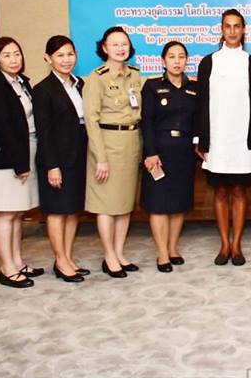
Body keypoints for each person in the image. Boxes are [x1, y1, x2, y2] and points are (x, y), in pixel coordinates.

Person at [196, 9, 251, 266]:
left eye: (237, 26)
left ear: (243, 30)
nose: (233, 31)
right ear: (222, 29)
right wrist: (200, 140)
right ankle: (224, 244)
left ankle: (237, 246)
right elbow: (201, 103)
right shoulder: (209, 62)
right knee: (221, 191)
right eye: (228, 26)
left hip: (243, 141)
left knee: (239, 190)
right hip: (217, 140)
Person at [84, 26, 143, 278]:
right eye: (115, 44)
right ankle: (108, 255)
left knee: (124, 203)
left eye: (124, 44)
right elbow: (91, 120)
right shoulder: (97, 78)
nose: (121, 48)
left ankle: (119, 252)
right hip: (107, 145)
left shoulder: (135, 75)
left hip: (131, 143)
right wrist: (101, 158)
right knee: (107, 204)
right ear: (104, 48)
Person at [0, 36, 42, 289]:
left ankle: (18, 262)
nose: (13, 59)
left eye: (16, 53)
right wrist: (19, 163)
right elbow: (4, 129)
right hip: (8, 157)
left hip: (27, 148)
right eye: (6, 55)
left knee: (18, 212)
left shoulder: (22, 82)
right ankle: (6, 267)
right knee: (6, 213)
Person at [32, 35, 88, 283]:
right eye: (60, 55)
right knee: (57, 211)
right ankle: (60, 260)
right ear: (48, 58)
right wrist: (52, 165)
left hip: (78, 155)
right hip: (56, 159)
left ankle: (67, 257)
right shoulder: (43, 89)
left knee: (72, 210)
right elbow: (44, 132)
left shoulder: (79, 84)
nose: (66, 60)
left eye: (70, 54)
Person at [140, 41, 198, 273]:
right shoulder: (152, 86)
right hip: (159, 151)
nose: (177, 61)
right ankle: (162, 252)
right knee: (159, 203)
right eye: (172, 57)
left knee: (178, 202)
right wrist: (150, 152)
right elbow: (146, 122)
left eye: (181, 57)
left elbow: (198, 121)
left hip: (184, 151)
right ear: (163, 61)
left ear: (186, 61)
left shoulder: (194, 87)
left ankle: (173, 248)